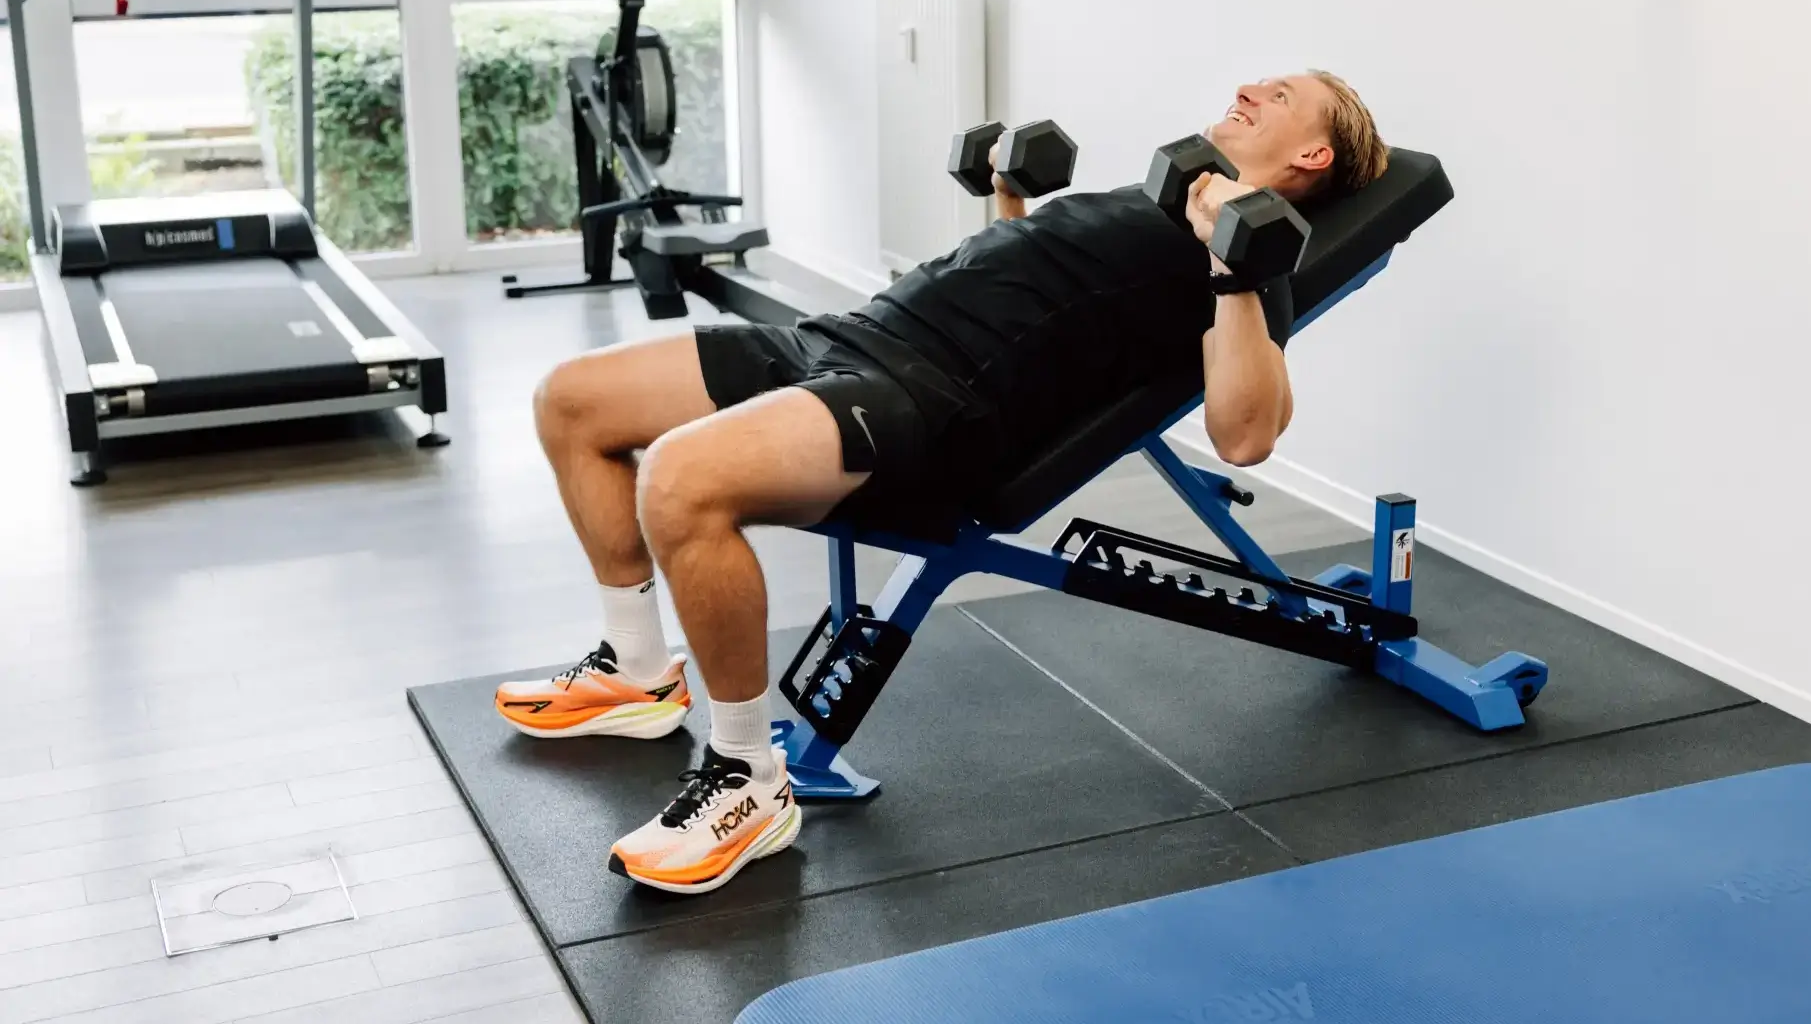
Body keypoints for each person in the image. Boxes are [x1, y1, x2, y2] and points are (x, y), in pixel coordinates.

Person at [494, 70, 1391, 895]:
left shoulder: (1245, 257)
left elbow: (1246, 434)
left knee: (682, 478)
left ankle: (746, 781)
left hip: (924, 399)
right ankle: (638, 672)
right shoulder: (1150, 196)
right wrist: (1008, 198)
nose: (1248, 88)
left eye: (1277, 95)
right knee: (572, 400)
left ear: (1313, 154)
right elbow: (1024, 299)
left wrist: (1233, 265)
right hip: (846, 337)